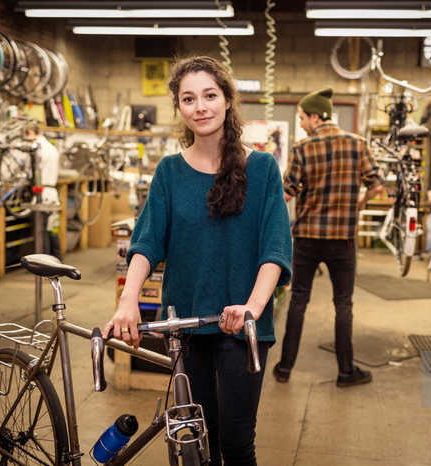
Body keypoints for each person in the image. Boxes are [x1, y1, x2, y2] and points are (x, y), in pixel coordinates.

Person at [102, 56, 292, 465]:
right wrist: (127, 301)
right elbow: (147, 242)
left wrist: (252, 308)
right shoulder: (170, 171)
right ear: (180, 108)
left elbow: (274, 249)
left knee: (237, 443)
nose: (200, 106)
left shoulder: (261, 169)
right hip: (186, 324)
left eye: (209, 95)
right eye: (189, 99)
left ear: (227, 101)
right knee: (200, 439)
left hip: (244, 328)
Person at [272, 86, 383, 388]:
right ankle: (346, 373)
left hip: (307, 238)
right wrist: (360, 204)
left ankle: (284, 369)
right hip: (342, 240)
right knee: (343, 304)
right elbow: (376, 184)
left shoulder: (302, 148)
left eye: (303, 118)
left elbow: (286, 193)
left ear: (316, 117)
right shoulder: (358, 144)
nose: (302, 124)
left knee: (298, 301)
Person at [25, 119, 62, 260]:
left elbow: (29, 171)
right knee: (52, 229)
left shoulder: (35, 147)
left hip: (43, 193)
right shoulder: (51, 147)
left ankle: (45, 264)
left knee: (41, 231)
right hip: (53, 192)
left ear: (30, 132)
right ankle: (58, 259)